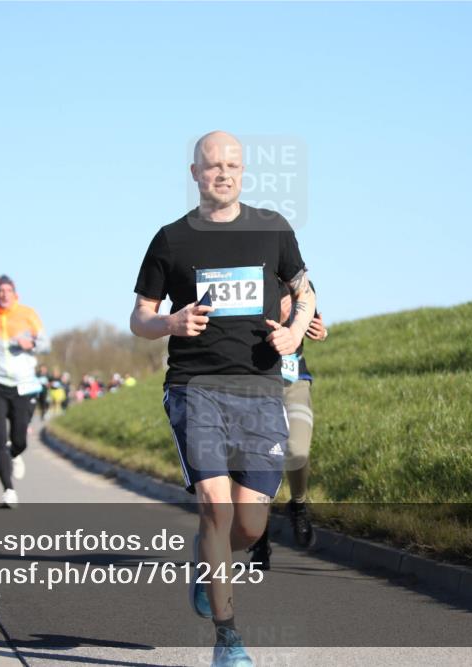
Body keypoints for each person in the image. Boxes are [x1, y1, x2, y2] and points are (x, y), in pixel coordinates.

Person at [130, 131, 316, 667]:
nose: (223, 173)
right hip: (195, 386)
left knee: (249, 526)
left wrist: (296, 330)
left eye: (233, 165)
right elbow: (139, 317)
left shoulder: (273, 229)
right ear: (195, 173)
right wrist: (169, 320)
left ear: (244, 170)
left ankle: (206, 562)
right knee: (214, 505)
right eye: (213, 166)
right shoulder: (171, 240)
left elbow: (305, 290)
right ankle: (228, 639)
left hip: (259, 388)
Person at [248, 282, 329, 569]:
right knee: (260, 463)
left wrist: (321, 331)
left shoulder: (300, 283)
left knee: (297, 451)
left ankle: (298, 504)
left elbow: (316, 324)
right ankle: (259, 537)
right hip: (256, 386)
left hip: (294, 383)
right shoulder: (250, 280)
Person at [0, 275, 48, 507]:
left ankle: (15, 453)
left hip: (22, 384)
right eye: (0, 291)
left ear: (15, 294)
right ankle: (8, 489)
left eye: (8, 290)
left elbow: (45, 343)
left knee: (19, 439)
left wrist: (30, 344)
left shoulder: (28, 314)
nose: (4, 294)